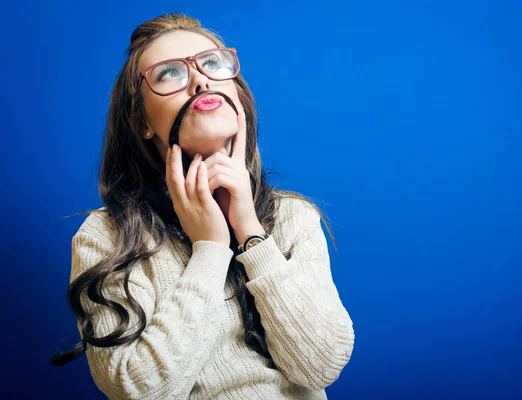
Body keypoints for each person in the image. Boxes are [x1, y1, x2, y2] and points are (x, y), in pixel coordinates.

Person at [50, 12, 355, 400]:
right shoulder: (108, 236)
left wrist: (251, 235)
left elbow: (321, 366)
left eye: (212, 63)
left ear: (238, 96)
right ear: (140, 120)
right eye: (169, 73)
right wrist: (208, 250)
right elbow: (137, 391)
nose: (200, 79)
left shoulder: (293, 218)